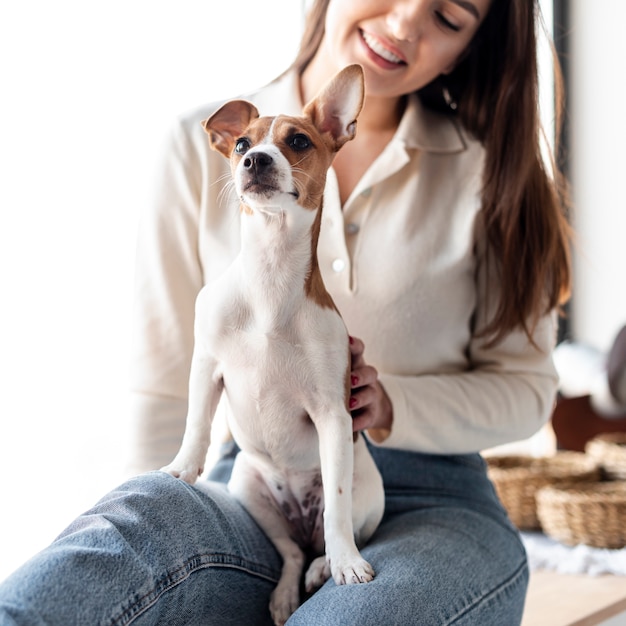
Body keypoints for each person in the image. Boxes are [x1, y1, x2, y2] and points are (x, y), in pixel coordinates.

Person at [0, 0, 571, 624]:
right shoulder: (200, 144)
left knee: (353, 616)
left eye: (449, 17)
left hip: (433, 497)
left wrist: (390, 405)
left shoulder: (496, 174)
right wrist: (162, 504)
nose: (406, 23)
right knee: (106, 558)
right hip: (249, 477)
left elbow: (527, 389)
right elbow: (165, 381)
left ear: (474, 45)